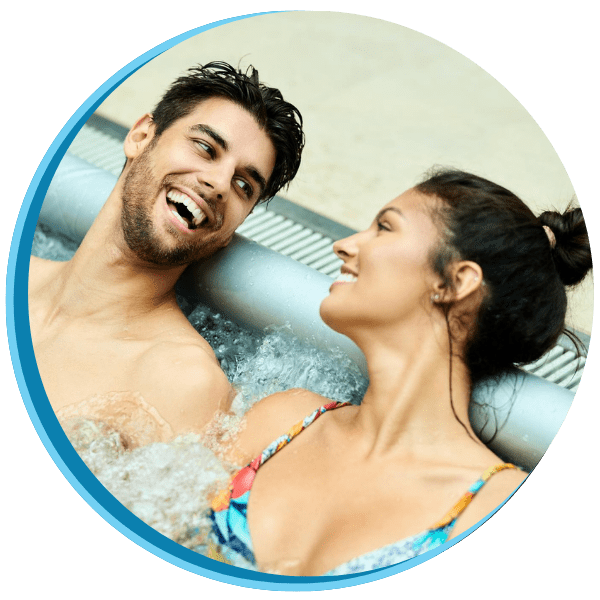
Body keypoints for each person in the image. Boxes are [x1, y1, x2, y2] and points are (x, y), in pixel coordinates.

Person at [208, 169, 592, 575]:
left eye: (384, 228)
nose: (343, 245)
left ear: (455, 281)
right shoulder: (282, 420)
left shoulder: (494, 508)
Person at [28, 62, 305, 446]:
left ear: (232, 231)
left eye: (244, 185)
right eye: (206, 148)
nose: (219, 184)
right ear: (142, 136)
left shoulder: (179, 382)